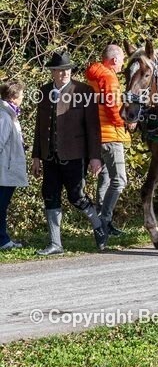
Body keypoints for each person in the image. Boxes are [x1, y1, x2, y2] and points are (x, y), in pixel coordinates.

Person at [32, 51, 107, 254]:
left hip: (75, 154)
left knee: (76, 196)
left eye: (67, 70)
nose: (64, 73)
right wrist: (36, 155)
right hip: (49, 155)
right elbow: (40, 126)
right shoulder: (44, 91)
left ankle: (99, 225)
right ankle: (55, 243)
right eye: (59, 70)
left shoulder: (83, 91)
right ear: (52, 72)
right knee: (49, 195)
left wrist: (95, 157)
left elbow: (93, 127)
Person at [84, 44, 129, 237]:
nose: (122, 65)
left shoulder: (94, 76)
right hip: (111, 134)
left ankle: (103, 224)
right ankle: (104, 221)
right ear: (115, 59)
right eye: (122, 61)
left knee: (105, 179)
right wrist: (126, 122)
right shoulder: (109, 77)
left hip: (97, 136)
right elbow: (113, 108)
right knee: (119, 181)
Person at [0, 82, 28, 249]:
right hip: (4, 169)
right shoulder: (4, 116)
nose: (23, 98)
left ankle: (3, 238)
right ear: (13, 97)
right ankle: (2, 240)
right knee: (1, 206)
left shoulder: (9, 113)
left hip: (6, 168)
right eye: (22, 95)